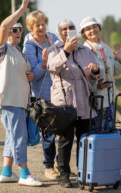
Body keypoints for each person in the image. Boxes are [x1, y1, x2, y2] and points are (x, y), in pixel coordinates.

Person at [0, 0, 43, 187]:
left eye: (20, 29)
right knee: (18, 136)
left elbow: (25, 73)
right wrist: (21, 11)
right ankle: (24, 173)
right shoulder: (1, 50)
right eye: (15, 29)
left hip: (20, 101)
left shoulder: (19, 52)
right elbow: (4, 28)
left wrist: (30, 75)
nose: (17, 31)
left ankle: (6, 172)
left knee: (11, 136)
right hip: (10, 100)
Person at [45, 19, 103, 188]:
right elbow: (52, 67)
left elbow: (97, 71)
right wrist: (66, 51)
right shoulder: (53, 49)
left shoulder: (85, 50)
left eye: (71, 28)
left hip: (84, 100)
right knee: (65, 140)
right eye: (64, 29)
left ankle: (82, 172)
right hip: (64, 103)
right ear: (59, 32)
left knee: (84, 139)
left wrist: (95, 70)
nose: (68, 31)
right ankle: (64, 175)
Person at [23, 10, 76, 180]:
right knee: (48, 133)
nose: (41, 27)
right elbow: (33, 74)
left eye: (43, 24)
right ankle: (48, 166)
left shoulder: (53, 37)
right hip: (43, 94)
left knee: (63, 131)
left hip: (60, 93)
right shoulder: (29, 45)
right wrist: (45, 63)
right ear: (31, 27)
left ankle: (60, 165)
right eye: (37, 25)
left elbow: (64, 58)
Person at [79, 16, 121, 132]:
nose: (92, 30)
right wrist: (96, 86)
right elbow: (81, 78)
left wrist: (120, 61)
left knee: (109, 133)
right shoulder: (83, 51)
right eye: (88, 29)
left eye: (94, 26)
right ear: (84, 34)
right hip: (95, 101)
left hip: (110, 99)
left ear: (99, 29)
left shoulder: (107, 48)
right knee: (97, 133)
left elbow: (115, 72)